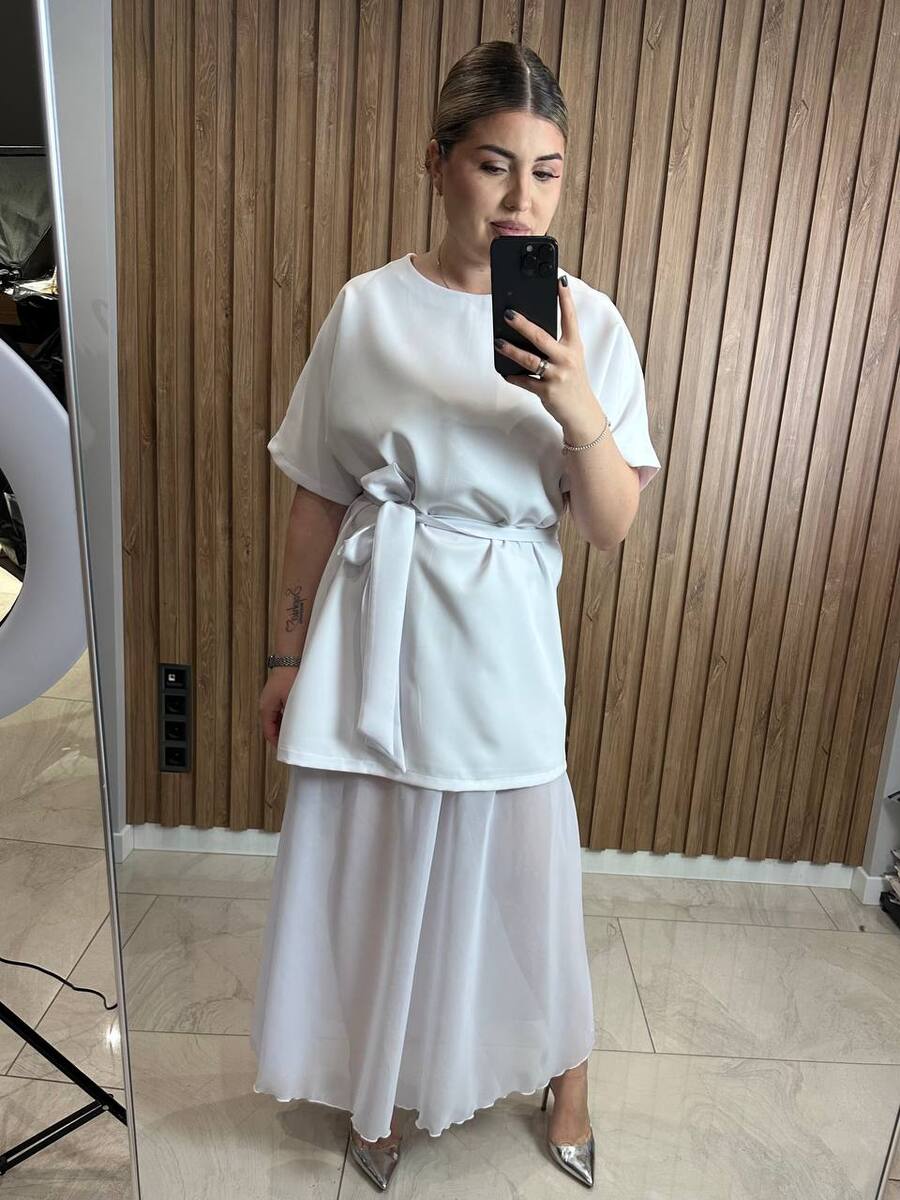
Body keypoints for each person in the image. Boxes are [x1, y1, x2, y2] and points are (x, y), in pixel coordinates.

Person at [252, 40, 661, 1192]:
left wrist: (574, 401)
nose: (523, 198)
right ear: (437, 164)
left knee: (525, 869)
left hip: (502, 633)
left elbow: (611, 524)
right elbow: (316, 493)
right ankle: (381, 1083)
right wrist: (285, 655)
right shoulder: (366, 310)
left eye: (548, 171)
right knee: (379, 865)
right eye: (494, 164)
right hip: (375, 623)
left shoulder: (589, 325)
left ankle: (567, 1078)